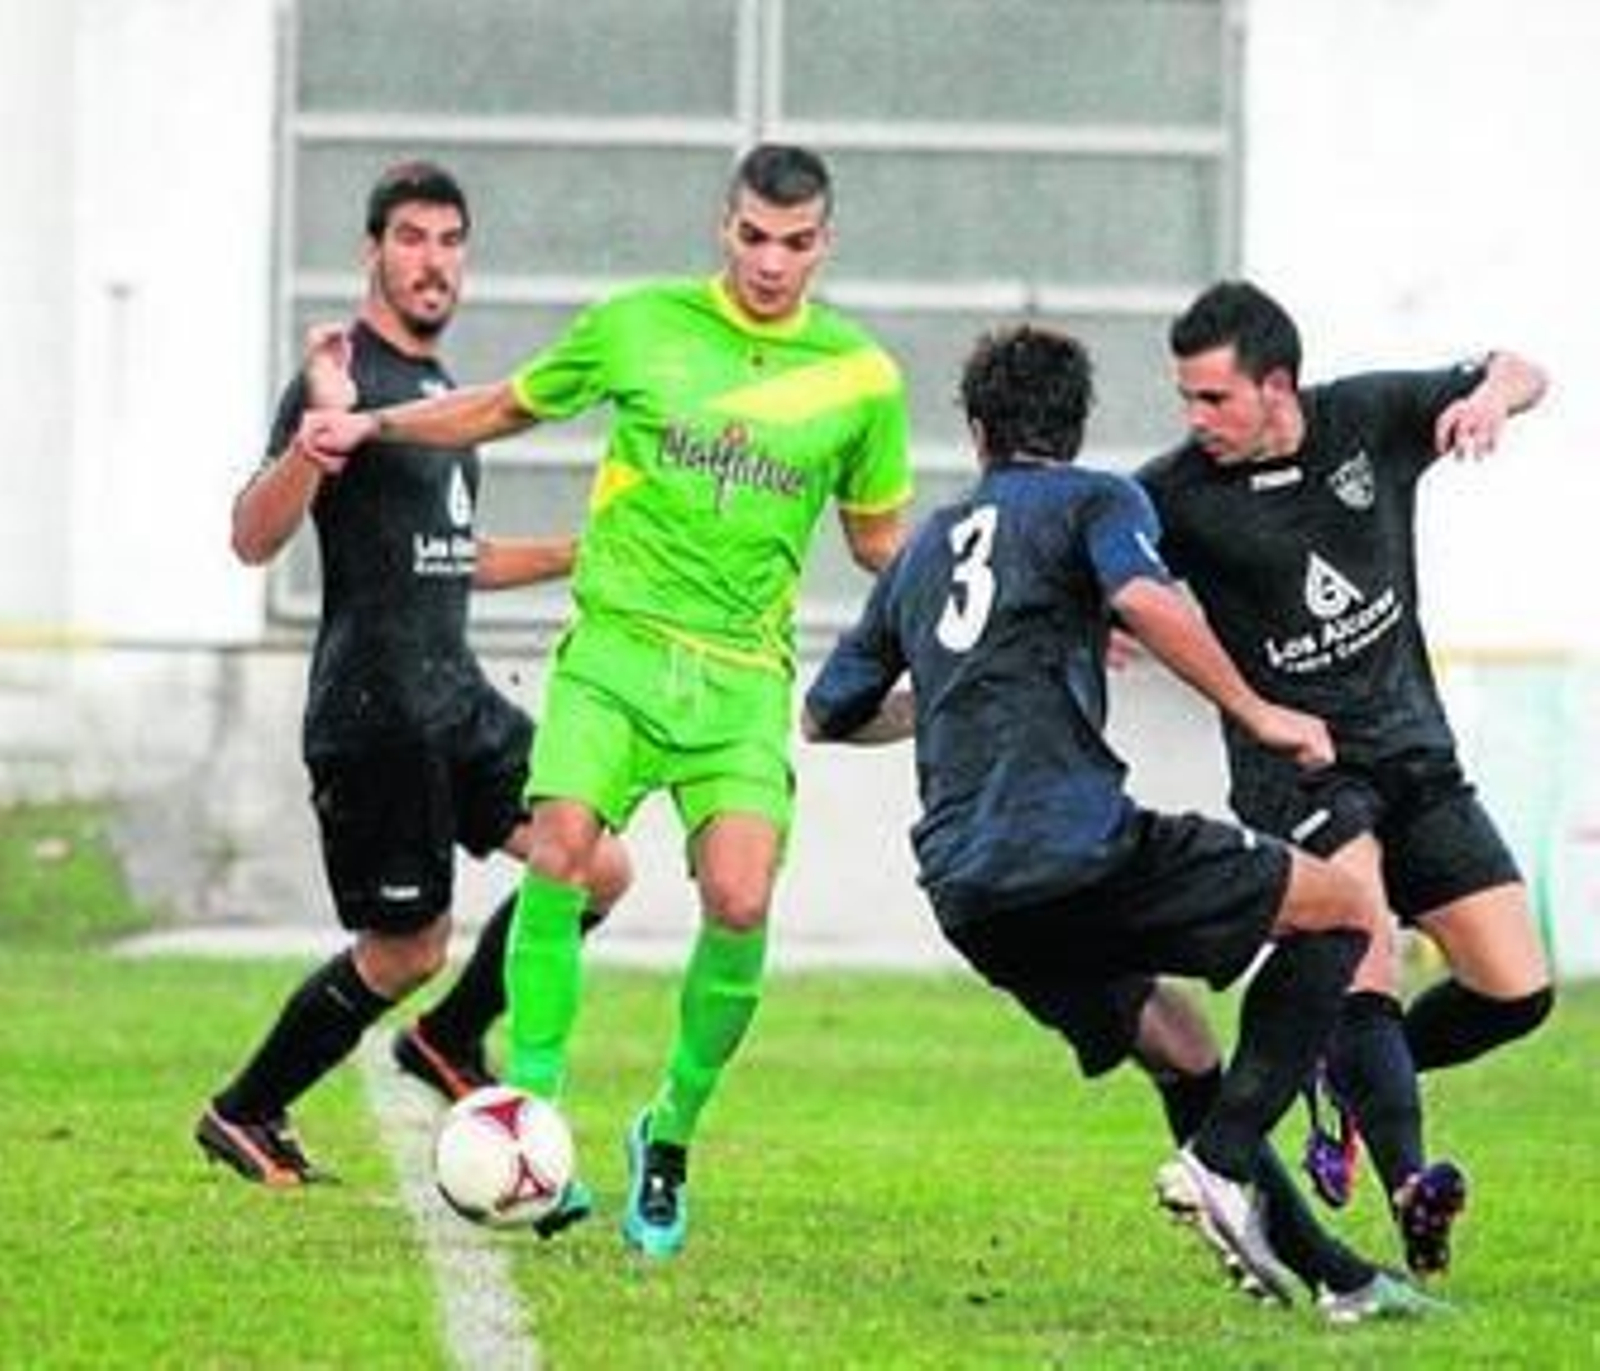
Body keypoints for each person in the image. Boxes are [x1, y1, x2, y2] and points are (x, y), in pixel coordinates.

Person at [297, 144, 914, 1257]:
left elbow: (881, 545)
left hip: (735, 678)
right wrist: (373, 425)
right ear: (723, 228)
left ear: (825, 242)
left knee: (737, 900)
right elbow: (498, 409)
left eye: (795, 242)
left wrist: (1009, 599)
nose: (771, 262)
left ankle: (667, 1135)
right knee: (562, 846)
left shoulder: (861, 379)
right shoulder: (637, 322)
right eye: (752, 237)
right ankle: (531, 1109)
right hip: (614, 654)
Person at [803, 323, 1440, 1320]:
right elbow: (1147, 599)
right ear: (1076, 425)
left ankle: (1337, 1279)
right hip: (1077, 851)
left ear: (975, 431)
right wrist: (1263, 715)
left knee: (1180, 1046)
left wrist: (956, 687)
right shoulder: (1099, 497)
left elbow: (827, 713)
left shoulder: (927, 545)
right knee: (1348, 912)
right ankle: (1221, 1162)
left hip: (970, 894)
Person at [196, 161, 630, 1205]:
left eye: (449, 241)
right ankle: (244, 1108)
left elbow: (456, 555)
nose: (432, 261)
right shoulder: (340, 380)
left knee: (598, 866)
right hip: (375, 710)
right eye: (412, 239)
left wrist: (585, 553)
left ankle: (446, 1040)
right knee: (405, 949)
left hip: (457, 697)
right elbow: (253, 538)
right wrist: (313, 438)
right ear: (373, 253)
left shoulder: (441, 397)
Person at [1136, 279, 1554, 1277]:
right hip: (1300, 769)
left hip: (1416, 752)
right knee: (1362, 938)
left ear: (1276, 385)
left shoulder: (1366, 417)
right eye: (1186, 400)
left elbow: (1519, 366)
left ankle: (1342, 1061)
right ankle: (1412, 1183)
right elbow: (1092, 552)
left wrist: (1495, 396)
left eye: (1213, 400)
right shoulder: (1177, 492)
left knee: (1516, 991)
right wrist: (1105, 618)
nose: (1196, 422)